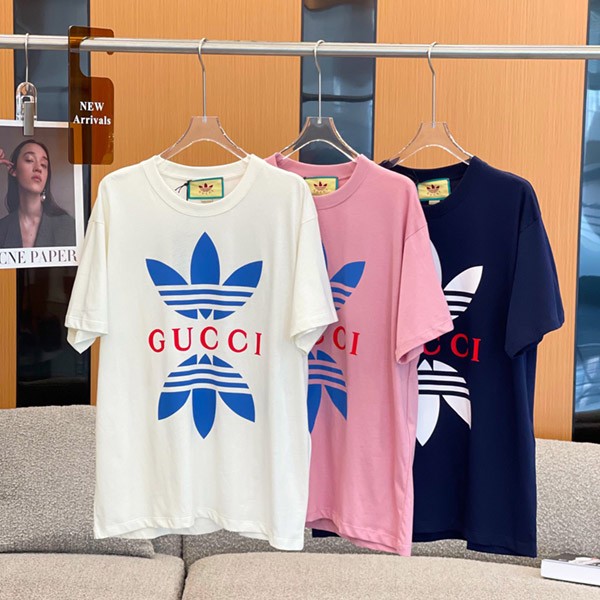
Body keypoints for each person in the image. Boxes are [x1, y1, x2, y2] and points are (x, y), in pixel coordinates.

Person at [0, 140, 75, 248]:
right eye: (29, 160)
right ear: (13, 170)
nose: (38, 168)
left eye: (44, 165)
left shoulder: (67, 226)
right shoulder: (2, 228)